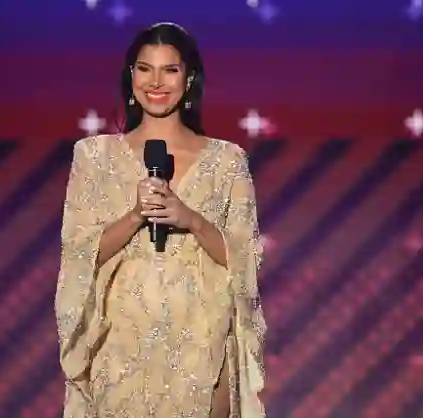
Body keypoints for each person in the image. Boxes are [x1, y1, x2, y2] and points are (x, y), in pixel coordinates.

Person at [55, 22, 266, 418]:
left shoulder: (226, 161)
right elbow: (80, 253)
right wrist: (137, 214)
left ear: (189, 79)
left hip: (202, 345)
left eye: (170, 69)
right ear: (130, 76)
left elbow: (245, 258)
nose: (156, 81)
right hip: (121, 349)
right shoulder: (93, 157)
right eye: (144, 68)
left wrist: (192, 220)